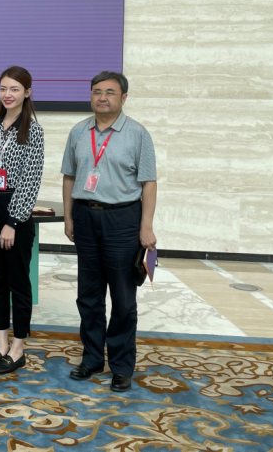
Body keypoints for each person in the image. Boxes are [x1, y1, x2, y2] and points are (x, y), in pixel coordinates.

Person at [62, 71, 157, 393]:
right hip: (85, 217)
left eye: (110, 92)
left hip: (122, 220)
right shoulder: (78, 132)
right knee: (88, 296)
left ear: (123, 98)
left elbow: (149, 183)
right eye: (97, 92)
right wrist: (69, 218)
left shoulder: (137, 134)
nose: (102, 97)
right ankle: (91, 359)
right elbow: (69, 177)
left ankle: (121, 366)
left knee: (123, 298)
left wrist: (146, 226)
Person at [0, 66, 45, 375]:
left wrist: (13, 221)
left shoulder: (34, 130)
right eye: (3, 88)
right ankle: (2, 344)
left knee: (18, 281)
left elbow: (31, 180)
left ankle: (18, 348)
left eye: (15, 89)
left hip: (14, 209)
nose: (8, 94)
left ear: (27, 93)